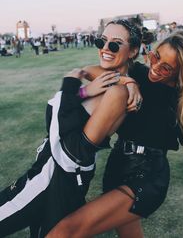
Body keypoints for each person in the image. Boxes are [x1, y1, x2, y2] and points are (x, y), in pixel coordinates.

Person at [47, 29, 183, 238]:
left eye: (165, 67)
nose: (154, 67)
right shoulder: (137, 73)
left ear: (182, 71)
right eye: (155, 56)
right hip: (116, 166)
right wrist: (127, 82)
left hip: (148, 177)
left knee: (66, 231)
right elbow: (89, 70)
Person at [0, 20, 142, 237]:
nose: (104, 49)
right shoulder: (112, 82)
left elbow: (73, 148)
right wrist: (118, 82)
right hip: (55, 176)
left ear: (132, 51)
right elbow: (84, 72)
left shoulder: (117, 94)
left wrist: (70, 88)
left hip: (53, 180)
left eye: (115, 45)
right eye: (101, 41)